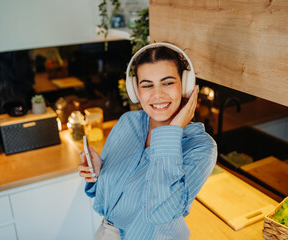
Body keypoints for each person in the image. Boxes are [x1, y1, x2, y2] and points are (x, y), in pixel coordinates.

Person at [78, 43, 217, 240]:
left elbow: (160, 212)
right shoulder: (128, 122)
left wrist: (173, 131)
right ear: (135, 90)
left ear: (186, 85)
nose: (157, 94)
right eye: (147, 85)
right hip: (106, 233)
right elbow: (104, 198)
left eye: (168, 82)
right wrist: (100, 173)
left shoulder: (201, 147)